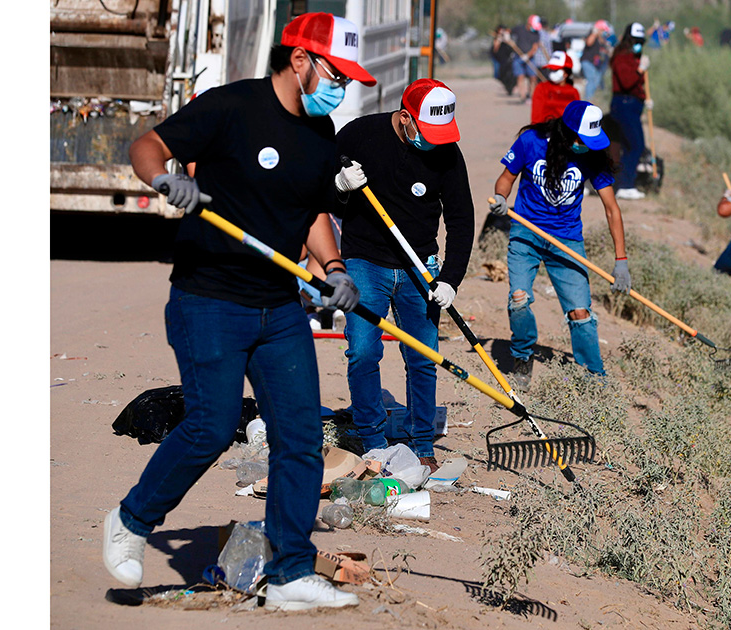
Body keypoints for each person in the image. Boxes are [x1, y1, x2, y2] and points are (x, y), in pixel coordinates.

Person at [105, 13, 371, 611]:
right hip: (209, 299)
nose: (342, 88)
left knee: (300, 436)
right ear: (300, 61)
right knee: (211, 424)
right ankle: (130, 521)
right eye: (337, 73)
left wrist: (333, 270)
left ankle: (290, 574)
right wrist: (164, 179)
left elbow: (311, 216)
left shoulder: (321, 131)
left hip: (278, 308)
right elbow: (147, 145)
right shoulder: (230, 107)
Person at [332, 79, 474, 473]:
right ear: (406, 119)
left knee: (423, 356)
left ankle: (420, 440)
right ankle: (373, 440)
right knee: (363, 351)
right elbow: (320, 192)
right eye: (427, 133)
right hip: (365, 261)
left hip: (420, 266)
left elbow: (462, 218)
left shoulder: (446, 153)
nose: (435, 141)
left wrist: (450, 278)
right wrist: (341, 186)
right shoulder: (360, 135)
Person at [488, 101, 632, 386]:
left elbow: (612, 208)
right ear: (567, 133)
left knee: (580, 312)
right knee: (519, 300)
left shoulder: (592, 155)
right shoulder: (531, 142)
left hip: (566, 238)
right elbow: (506, 178)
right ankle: (522, 357)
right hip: (525, 233)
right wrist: (502, 199)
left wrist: (621, 261)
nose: (586, 146)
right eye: (582, 140)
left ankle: (593, 378)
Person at [608, 22, 651, 200]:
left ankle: (623, 183)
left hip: (632, 104)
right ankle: (625, 185)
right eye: (635, 40)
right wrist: (640, 69)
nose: (638, 43)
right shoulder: (621, 57)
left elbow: (637, 84)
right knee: (636, 145)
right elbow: (626, 82)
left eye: (641, 40)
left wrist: (645, 97)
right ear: (628, 39)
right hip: (624, 104)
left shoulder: (633, 56)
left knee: (628, 146)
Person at [531, 51, 580, 124]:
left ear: (566, 73)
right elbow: (536, 119)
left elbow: (576, 119)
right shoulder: (542, 88)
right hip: (546, 131)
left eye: (556, 70)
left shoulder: (573, 92)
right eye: (551, 69)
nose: (552, 72)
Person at [510, 15, 543, 101]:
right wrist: (506, 35)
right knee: (520, 76)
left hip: (530, 57)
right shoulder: (519, 29)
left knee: (533, 77)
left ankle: (532, 96)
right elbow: (509, 32)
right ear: (529, 23)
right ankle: (522, 96)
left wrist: (527, 55)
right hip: (518, 57)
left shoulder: (536, 34)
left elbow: (535, 47)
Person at [581, 20, 614, 100]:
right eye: (603, 30)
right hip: (587, 61)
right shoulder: (592, 35)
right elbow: (589, 43)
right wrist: (595, 33)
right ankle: (588, 99)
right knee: (591, 79)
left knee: (597, 80)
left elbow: (604, 49)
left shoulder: (602, 39)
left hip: (596, 63)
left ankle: (593, 98)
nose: (604, 32)